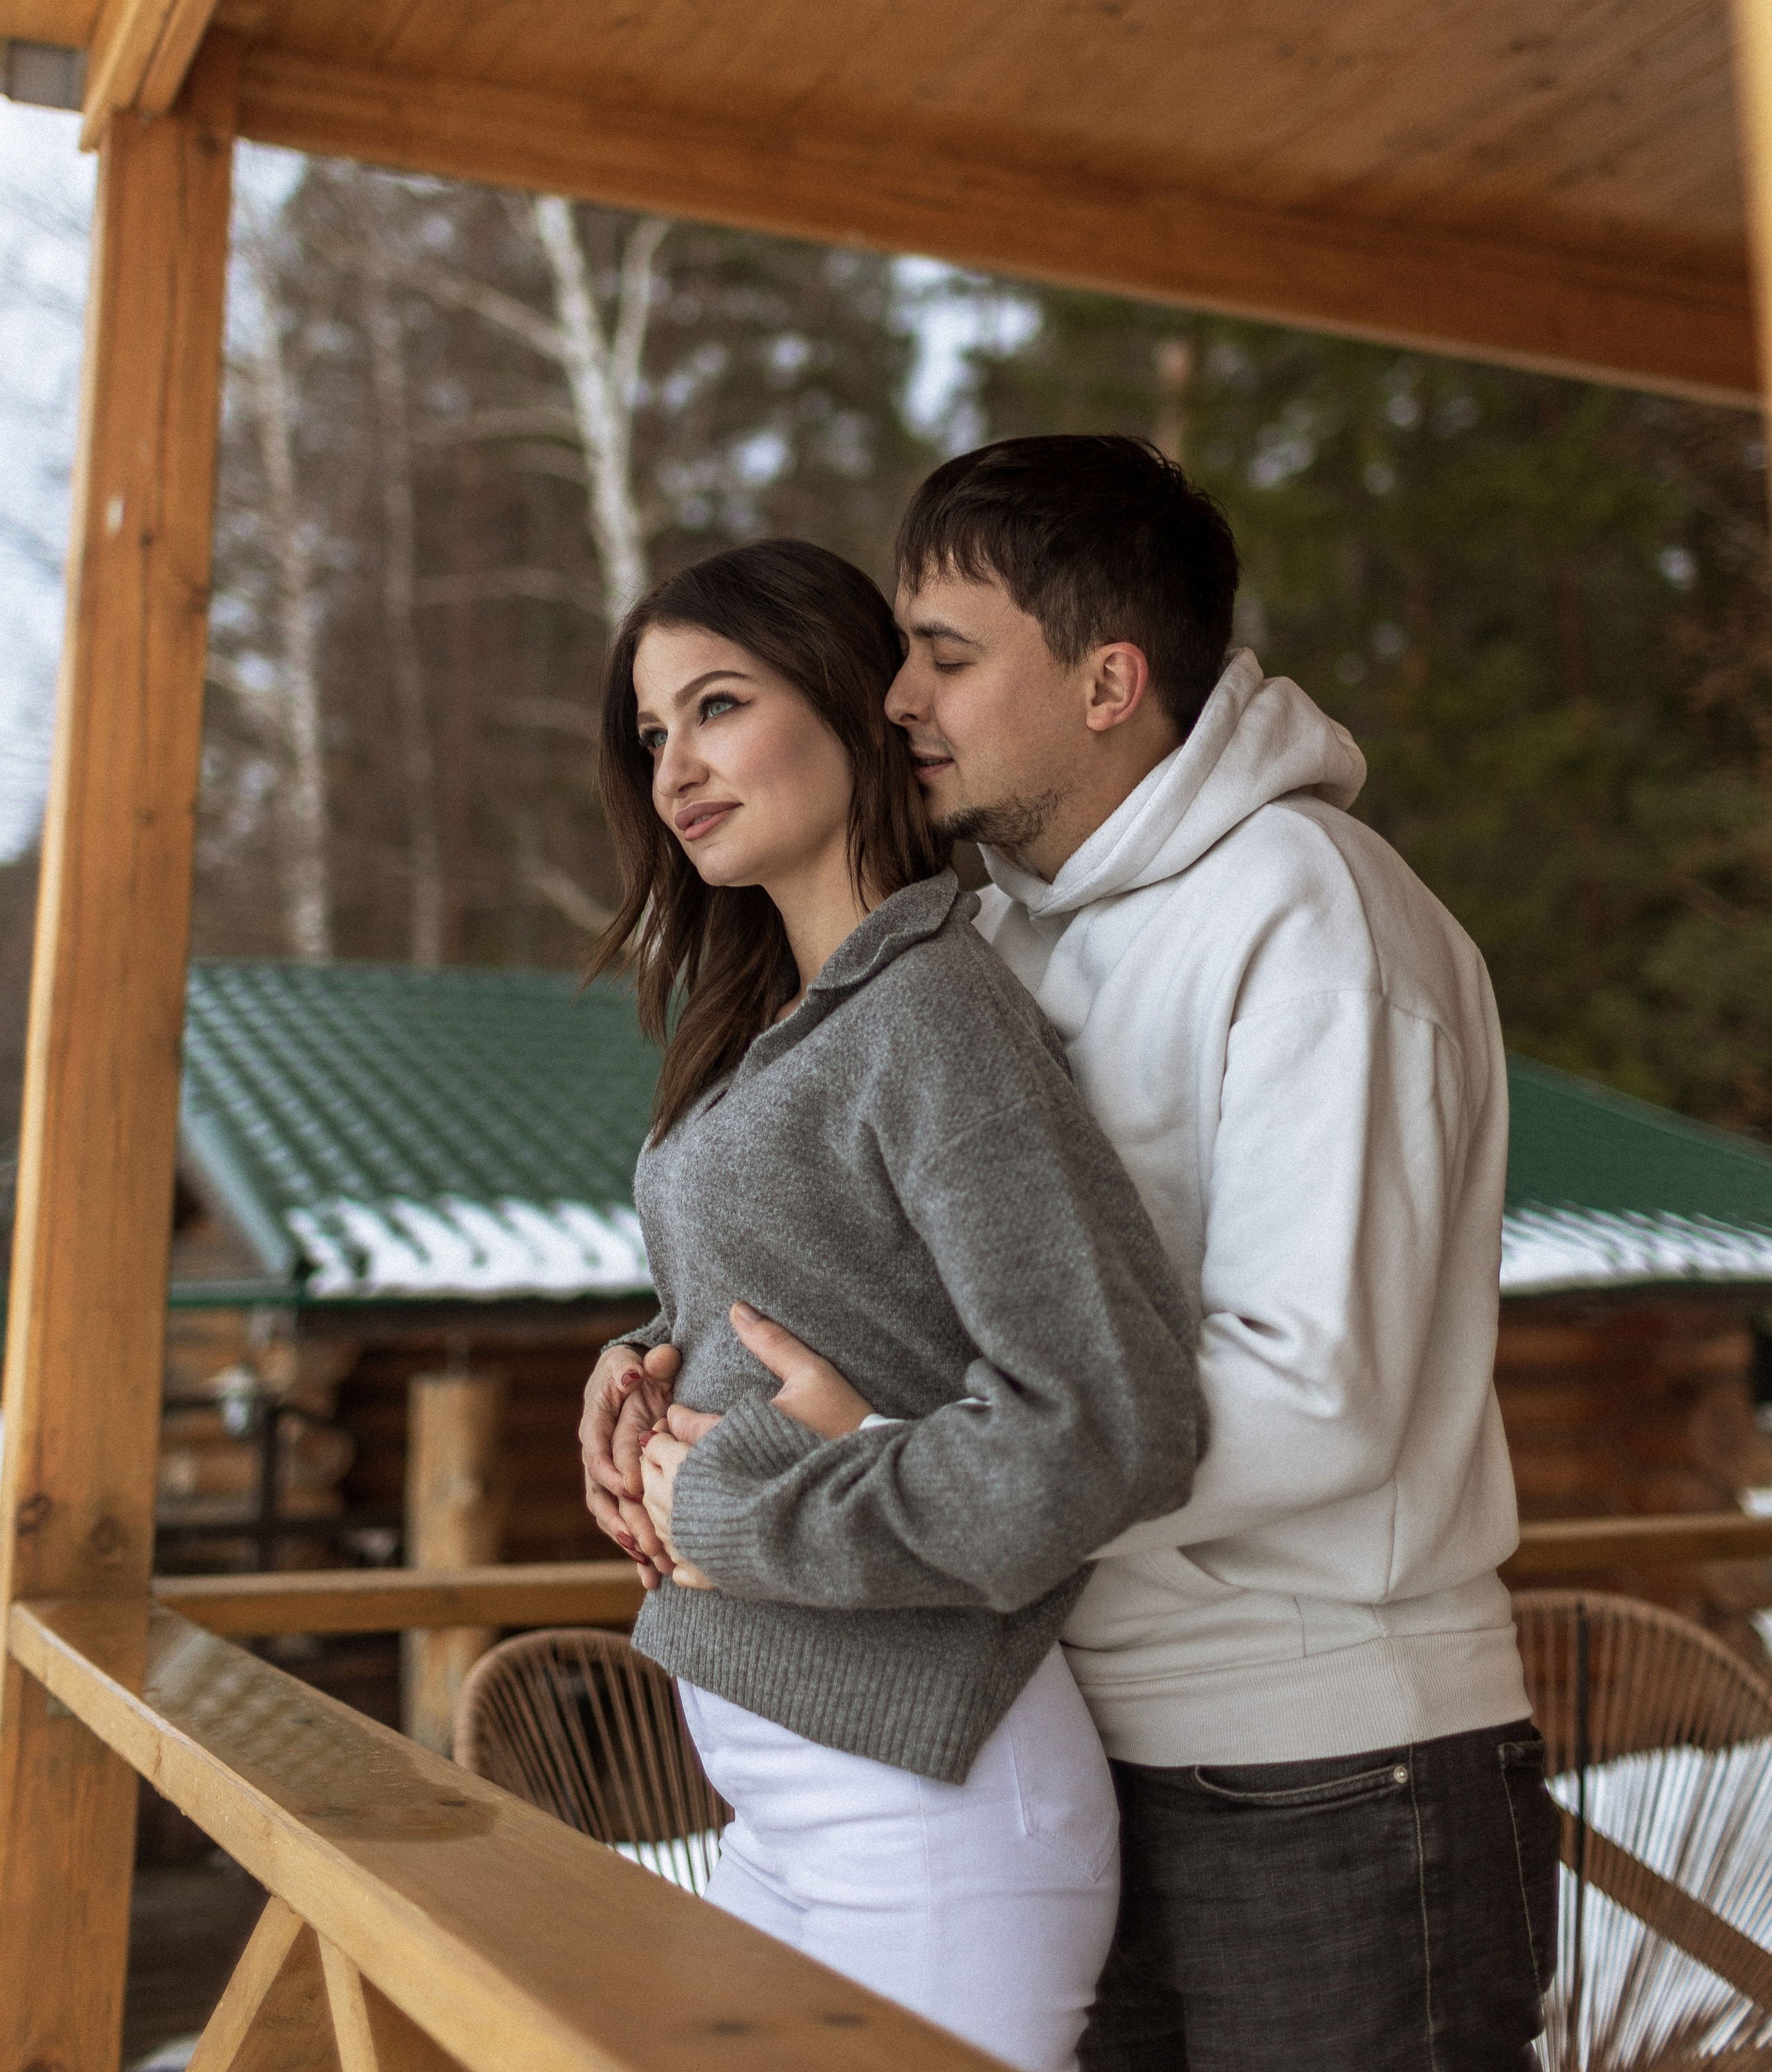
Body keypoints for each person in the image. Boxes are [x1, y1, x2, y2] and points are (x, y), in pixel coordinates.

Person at [587, 438, 1562, 2072]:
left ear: (1108, 681)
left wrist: (865, 1470)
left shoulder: (1315, 925)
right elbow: (923, 1273)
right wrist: (680, 1371)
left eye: (947, 659)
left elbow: (1318, 1397)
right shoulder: (998, 933)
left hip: (1322, 1762)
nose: (898, 696)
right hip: (1069, 1726)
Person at [580, 534, 1205, 2072]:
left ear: (857, 705)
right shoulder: (779, 1018)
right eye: (654, 734)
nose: (677, 769)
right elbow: (813, 1310)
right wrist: (645, 1367)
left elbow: (1111, 1424)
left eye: (717, 706)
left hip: (929, 1807)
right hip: (780, 1777)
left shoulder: (930, 1012)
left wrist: (737, 1506)